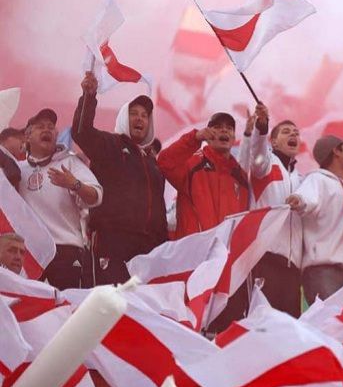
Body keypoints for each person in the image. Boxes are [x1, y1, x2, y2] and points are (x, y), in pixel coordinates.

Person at [71, 72, 167, 286]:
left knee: (141, 310)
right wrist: (89, 95)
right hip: (112, 242)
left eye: (144, 115)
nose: (140, 118)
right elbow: (82, 133)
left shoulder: (153, 164)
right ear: (124, 117)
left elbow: (159, 209)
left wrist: (162, 247)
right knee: (111, 306)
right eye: (134, 113)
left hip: (148, 249)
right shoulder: (110, 145)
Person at [18, 109, 102, 290]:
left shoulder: (69, 163)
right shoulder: (17, 171)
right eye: (40, 127)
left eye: (50, 127)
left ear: (57, 135)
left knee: (67, 308)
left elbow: (96, 196)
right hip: (29, 251)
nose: (46, 130)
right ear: (27, 135)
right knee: (30, 309)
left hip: (65, 249)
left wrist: (75, 184)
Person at [287, 135, 343, 304]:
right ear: (336, 151)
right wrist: (298, 200)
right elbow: (306, 198)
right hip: (324, 272)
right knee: (330, 327)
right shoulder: (317, 179)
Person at [246, 105, 304, 317]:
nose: (294, 135)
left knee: (290, 329)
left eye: (297, 133)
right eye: (287, 132)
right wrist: (262, 127)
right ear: (273, 141)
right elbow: (257, 154)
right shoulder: (266, 165)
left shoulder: (301, 179)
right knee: (263, 324)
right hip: (266, 259)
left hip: (293, 267)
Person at [157, 111, 249, 239]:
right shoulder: (192, 165)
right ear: (207, 134)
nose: (224, 130)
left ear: (233, 138)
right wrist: (195, 138)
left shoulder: (241, 178)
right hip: (194, 253)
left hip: (225, 255)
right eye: (217, 127)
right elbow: (164, 162)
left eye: (229, 128)